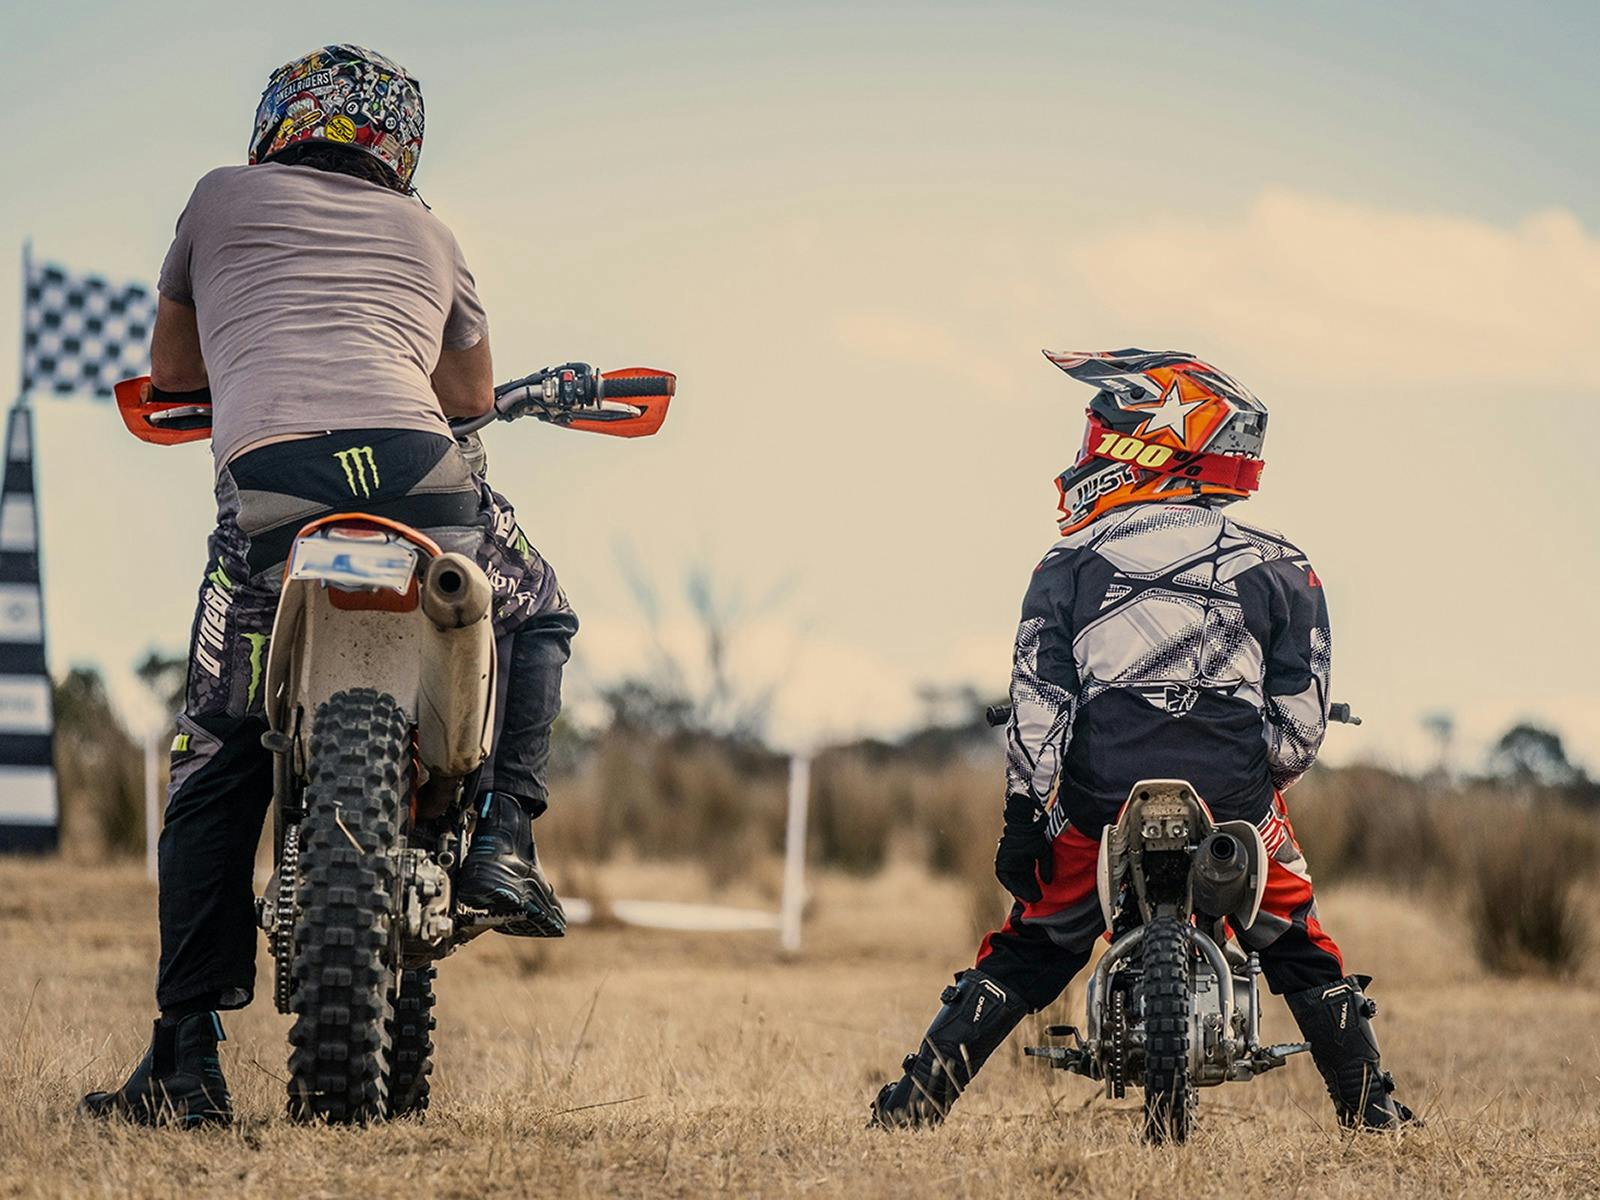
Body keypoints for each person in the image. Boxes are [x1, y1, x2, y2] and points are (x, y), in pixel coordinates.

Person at [80, 45, 575, 1127]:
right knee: (537, 605)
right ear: (397, 144)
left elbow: (172, 374)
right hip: (417, 477)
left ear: (277, 123)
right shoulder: (433, 231)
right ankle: (503, 840)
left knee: (218, 743)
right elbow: (469, 394)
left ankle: (184, 1058)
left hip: (275, 492)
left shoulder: (217, 200)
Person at [869, 349, 1418, 1132]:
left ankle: (913, 1106)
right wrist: (1254, 786)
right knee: (1298, 937)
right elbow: (1299, 731)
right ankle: (1374, 1113)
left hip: (1097, 799)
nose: (1088, 448)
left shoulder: (1066, 561)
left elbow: (1039, 706)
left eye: (1099, 432)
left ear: (1149, 444)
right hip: (1235, 797)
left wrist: (1023, 820)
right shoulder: (1283, 565)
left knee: (1031, 945)